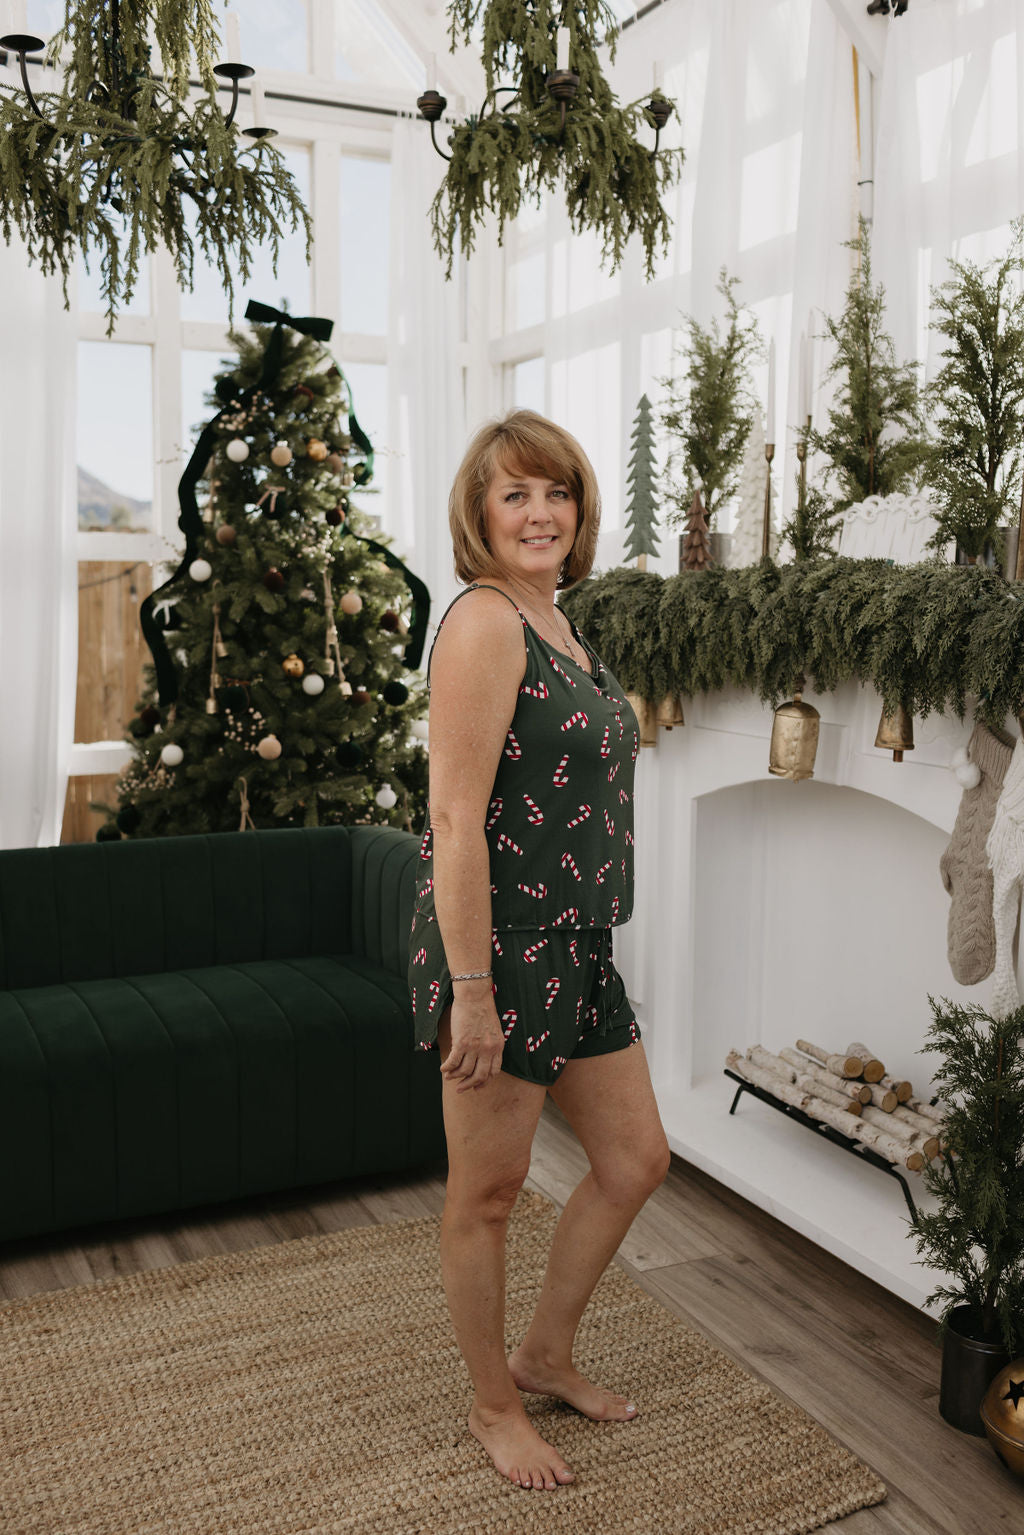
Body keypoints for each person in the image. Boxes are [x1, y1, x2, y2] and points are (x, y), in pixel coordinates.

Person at [407, 409, 670, 1492]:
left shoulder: (559, 622)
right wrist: (471, 987)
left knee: (633, 1159)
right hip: (500, 951)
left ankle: (546, 1353)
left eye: (554, 491)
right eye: (513, 493)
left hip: (578, 944)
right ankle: (491, 1402)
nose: (539, 511)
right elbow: (456, 819)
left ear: (579, 509)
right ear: (478, 513)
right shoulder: (482, 621)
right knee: (490, 1190)